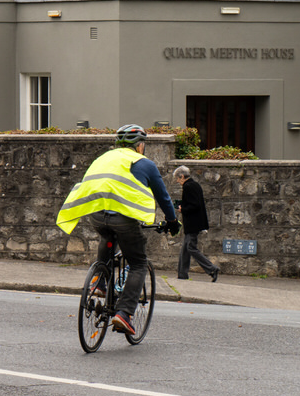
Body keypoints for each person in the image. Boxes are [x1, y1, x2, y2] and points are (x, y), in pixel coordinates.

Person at [56, 124, 180, 335]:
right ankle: (124, 314)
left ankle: (101, 282)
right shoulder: (144, 163)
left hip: (96, 214)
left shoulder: (103, 158)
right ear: (140, 145)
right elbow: (163, 197)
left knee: (107, 235)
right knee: (139, 263)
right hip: (123, 218)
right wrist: (172, 221)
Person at [173, 165, 220, 282]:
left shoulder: (188, 186)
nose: (178, 182)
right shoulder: (195, 185)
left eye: (178, 179)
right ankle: (182, 275)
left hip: (193, 223)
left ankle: (212, 268)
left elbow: (194, 205)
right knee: (185, 249)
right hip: (195, 223)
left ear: (182, 176)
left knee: (191, 248)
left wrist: (182, 209)